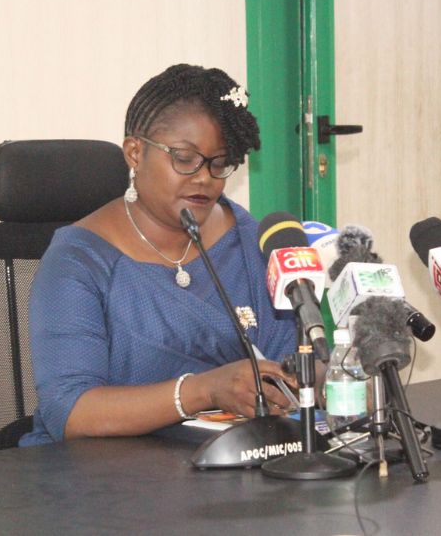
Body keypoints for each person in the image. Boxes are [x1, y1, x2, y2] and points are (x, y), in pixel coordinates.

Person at [20, 64, 298, 446]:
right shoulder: (78, 260)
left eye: (219, 164)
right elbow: (69, 411)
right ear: (135, 153)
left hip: (229, 462)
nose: (204, 178)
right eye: (184, 158)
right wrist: (203, 391)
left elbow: (287, 369)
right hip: (99, 472)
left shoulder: (250, 241)